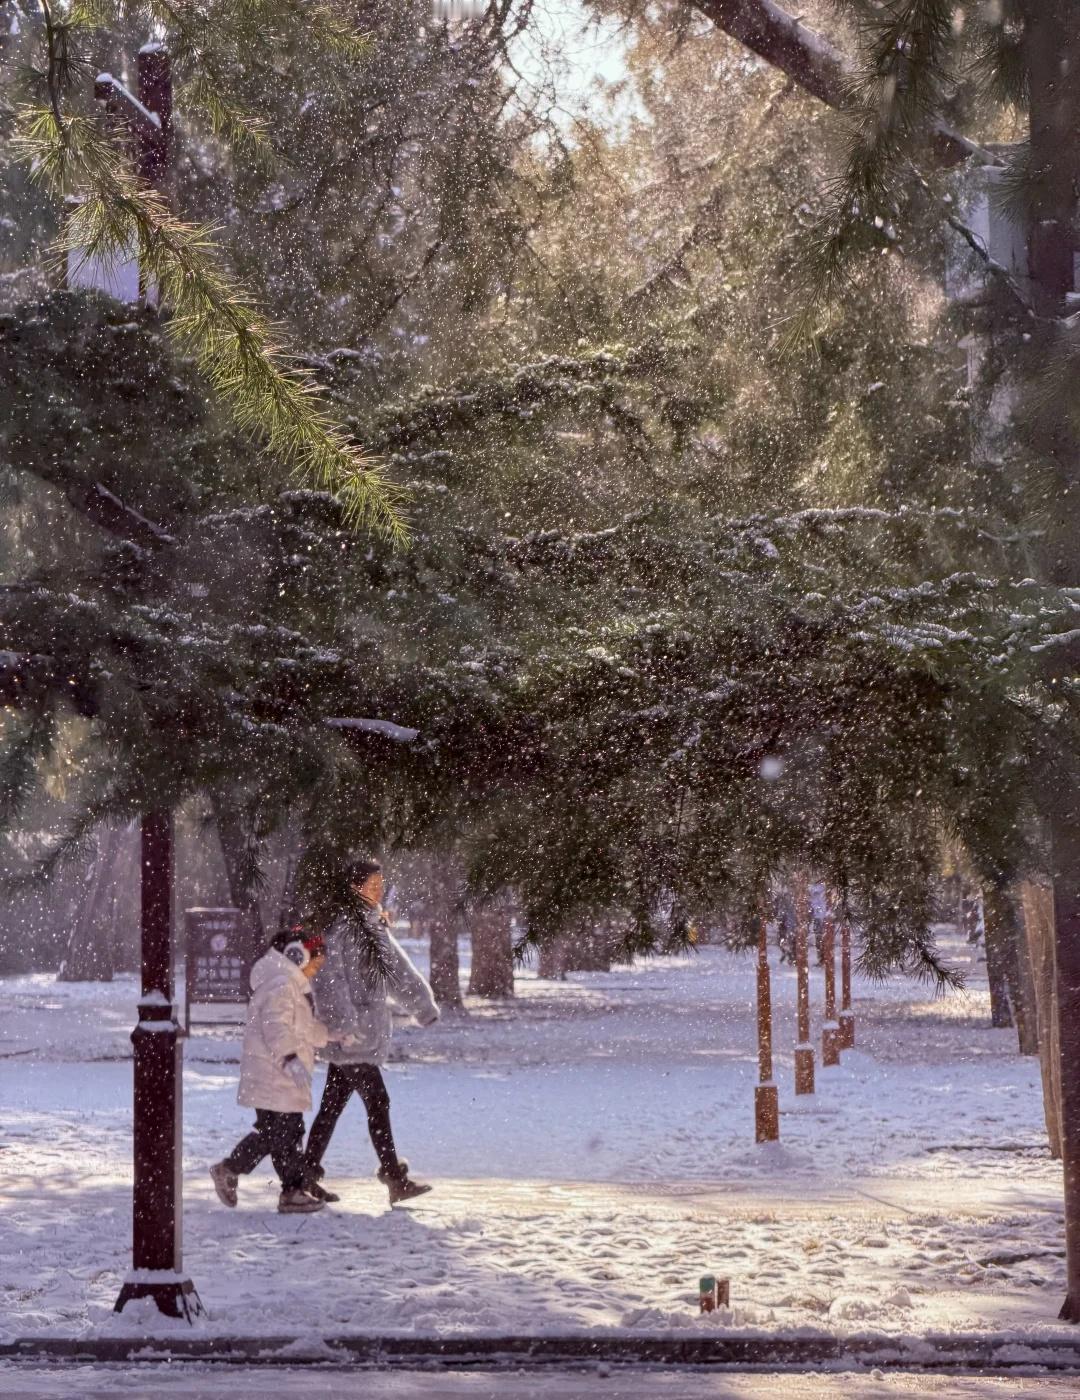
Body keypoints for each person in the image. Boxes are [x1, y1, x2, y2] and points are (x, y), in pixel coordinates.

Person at [304, 858, 440, 1206]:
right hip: (353, 1037)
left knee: (332, 1106)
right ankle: (393, 1177)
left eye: (381, 884)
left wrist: (423, 1006)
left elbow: (397, 971)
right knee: (377, 1102)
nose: (379, 890)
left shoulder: (370, 925)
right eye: (372, 885)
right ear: (355, 888)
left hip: (360, 1034)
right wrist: (343, 1026)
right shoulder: (342, 928)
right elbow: (328, 980)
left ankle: (305, 1175)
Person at [209, 928, 331, 1214]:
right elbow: (275, 1026)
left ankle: (291, 1191)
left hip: (276, 1075)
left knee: (287, 1133)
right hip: (275, 1074)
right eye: (314, 962)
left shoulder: (287, 984)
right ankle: (231, 1168)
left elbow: (302, 1027)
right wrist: (290, 1058)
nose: (315, 970)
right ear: (296, 955)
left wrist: (332, 1036)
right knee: (280, 1133)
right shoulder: (281, 985)